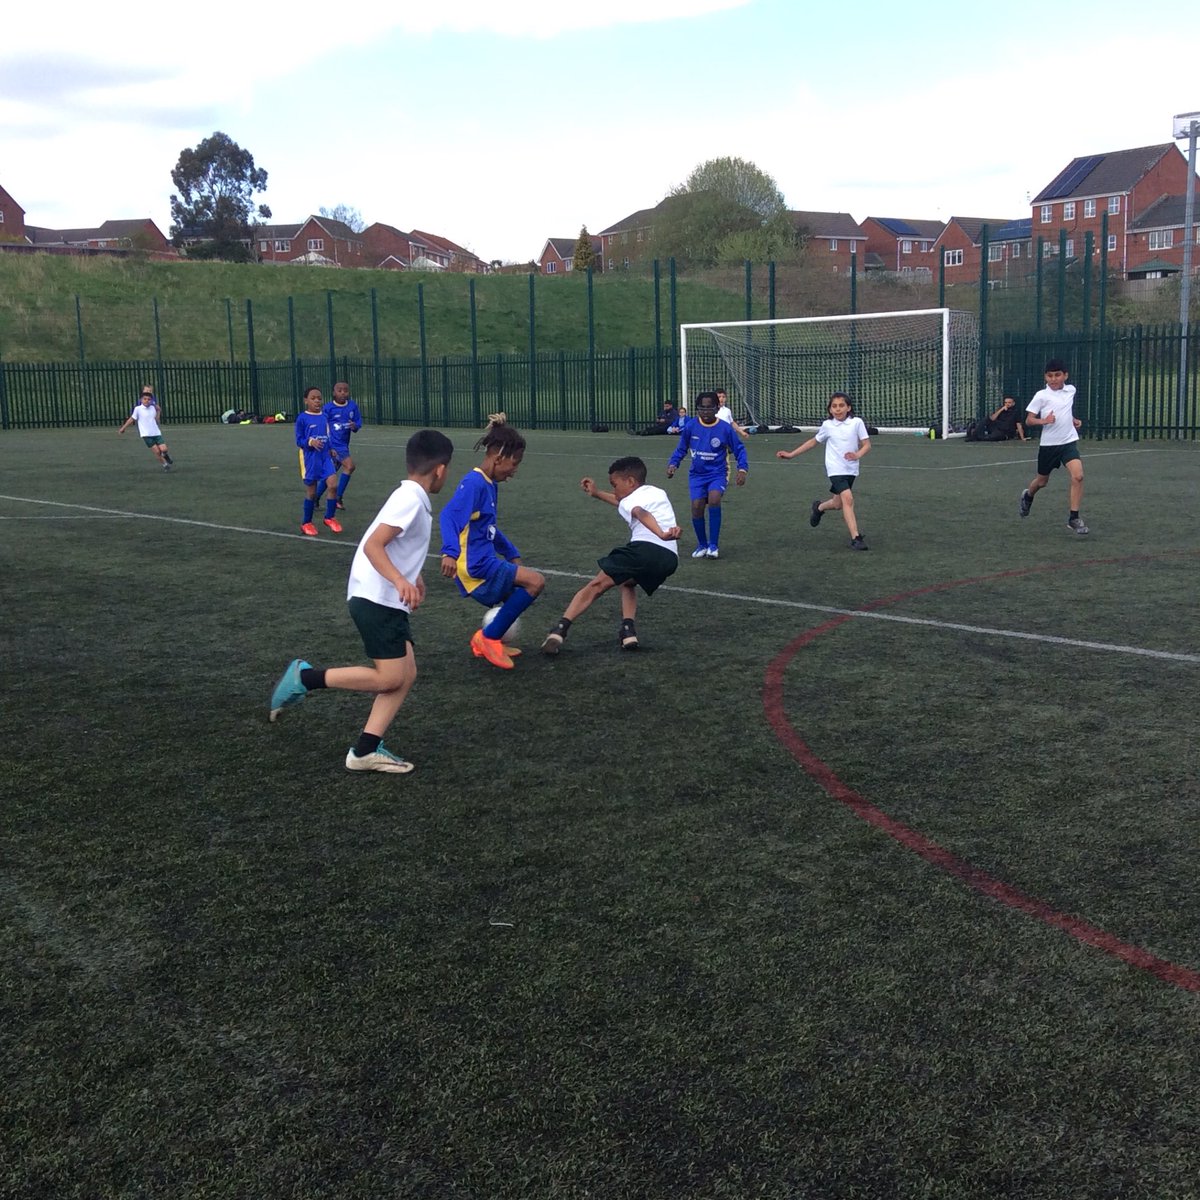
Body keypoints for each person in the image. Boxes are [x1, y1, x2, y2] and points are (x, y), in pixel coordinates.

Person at [268, 429, 455, 773]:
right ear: (440, 469)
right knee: (388, 678)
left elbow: (392, 543)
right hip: (377, 598)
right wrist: (400, 579)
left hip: (380, 597)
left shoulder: (410, 496)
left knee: (406, 673)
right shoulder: (411, 499)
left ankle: (365, 750)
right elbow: (373, 545)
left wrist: (414, 575)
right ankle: (305, 677)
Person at [541, 456, 681, 656]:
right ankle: (628, 631)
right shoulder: (657, 492)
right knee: (628, 582)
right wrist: (597, 493)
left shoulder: (631, 502)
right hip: (669, 558)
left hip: (644, 549)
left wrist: (660, 533)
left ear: (630, 481)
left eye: (615, 485)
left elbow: (640, 513)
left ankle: (559, 630)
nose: (614, 491)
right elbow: (623, 501)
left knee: (596, 586)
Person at [439, 414, 546, 669]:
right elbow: (449, 516)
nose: (515, 470)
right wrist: (449, 553)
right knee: (536, 582)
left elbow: (489, 528)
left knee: (520, 590)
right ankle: (488, 637)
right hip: (474, 566)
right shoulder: (474, 483)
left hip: (485, 560)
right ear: (499, 459)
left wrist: (511, 552)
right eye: (515, 463)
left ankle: (488, 639)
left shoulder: (490, 484)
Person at [775, 391, 871, 550]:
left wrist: (857, 454)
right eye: (834, 406)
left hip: (851, 469)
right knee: (848, 498)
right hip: (835, 469)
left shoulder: (857, 423)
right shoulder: (828, 426)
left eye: (841, 406)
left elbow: (867, 445)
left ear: (849, 407)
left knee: (838, 503)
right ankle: (856, 537)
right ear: (830, 410)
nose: (838, 409)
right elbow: (813, 442)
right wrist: (791, 454)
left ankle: (819, 508)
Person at [667, 391, 748, 559]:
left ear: (717, 408)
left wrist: (742, 469)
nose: (705, 411)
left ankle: (713, 545)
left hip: (718, 473)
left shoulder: (725, 428)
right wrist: (673, 463)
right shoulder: (691, 426)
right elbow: (681, 448)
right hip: (697, 475)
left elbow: (739, 449)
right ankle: (702, 544)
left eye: (709, 407)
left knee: (714, 499)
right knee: (697, 507)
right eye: (701, 408)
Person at [1018, 358, 1088, 534]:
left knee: (1078, 476)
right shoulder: (1041, 396)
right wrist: (1044, 420)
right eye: (1050, 376)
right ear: (1045, 377)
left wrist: (1073, 420)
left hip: (1068, 443)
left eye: (1057, 375)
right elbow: (1029, 419)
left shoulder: (1070, 390)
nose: (1054, 379)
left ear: (1065, 375)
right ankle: (1028, 495)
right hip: (1049, 446)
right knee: (1042, 482)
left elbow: (1065, 410)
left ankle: (1074, 518)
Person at [294, 385, 342, 537]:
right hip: (310, 458)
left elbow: (327, 435)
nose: (317, 401)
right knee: (312, 491)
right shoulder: (302, 418)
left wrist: (331, 448)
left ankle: (329, 517)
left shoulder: (323, 417)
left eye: (319, 398)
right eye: (313, 398)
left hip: (325, 457)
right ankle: (306, 523)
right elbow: (299, 440)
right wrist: (310, 442)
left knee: (333, 485)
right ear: (306, 401)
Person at [323, 380, 363, 509]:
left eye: (345, 390)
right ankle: (337, 498)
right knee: (350, 466)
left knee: (331, 472)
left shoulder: (352, 406)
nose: (343, 393)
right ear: (334, 393)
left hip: (344, 444)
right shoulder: (328, 408)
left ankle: (315, 498)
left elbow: (357, 424)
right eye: (339, 390)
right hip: (335, 444)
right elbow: (323, 425)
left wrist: (354, 426)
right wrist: (328, 444)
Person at [118, 386, 174, 470]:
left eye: (148, 399)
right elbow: (131, 419)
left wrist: (159, 411)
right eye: (145, 399)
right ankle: (165, 465)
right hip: (146, 434)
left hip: (156, 432)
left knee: (164, 449)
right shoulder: (138, 409)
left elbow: (157, 420)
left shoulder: (153, 408)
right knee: (157, 451)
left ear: (151, 400)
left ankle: (165, 455)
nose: (147, 401)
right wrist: (123, 428)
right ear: (141, 400)